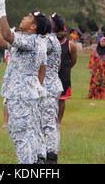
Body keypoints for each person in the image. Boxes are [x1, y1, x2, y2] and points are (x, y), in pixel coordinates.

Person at [0, 0, 48, 164]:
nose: (24, 18)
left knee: (20, 133)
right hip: (25, 93)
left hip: (21, 94)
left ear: (33, 26)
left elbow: (8, 37)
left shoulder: (30, 40)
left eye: (28, 17)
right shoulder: (29, 39)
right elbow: (3, 42)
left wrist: (2, 12)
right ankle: (36, 162)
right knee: (28, 132)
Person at [40, 14, 64, 164]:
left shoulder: (48, 40)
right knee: (48, 122)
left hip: (48, 86)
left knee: (49, 123)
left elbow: (34, 51)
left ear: (54, 26)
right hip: (49, 84)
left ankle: (51, 155)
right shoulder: (52, 39)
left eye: (49, 20)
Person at [55, 16, 77, 126]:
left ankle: (59, 121)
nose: (59, 33)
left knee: (61, 99)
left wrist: (65, 68)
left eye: (61, 31)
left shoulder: (70, 45)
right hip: (50, 75)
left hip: (64, 75)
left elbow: (73, 61)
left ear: (65, 32)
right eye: (57, 31)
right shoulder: (50, 42)